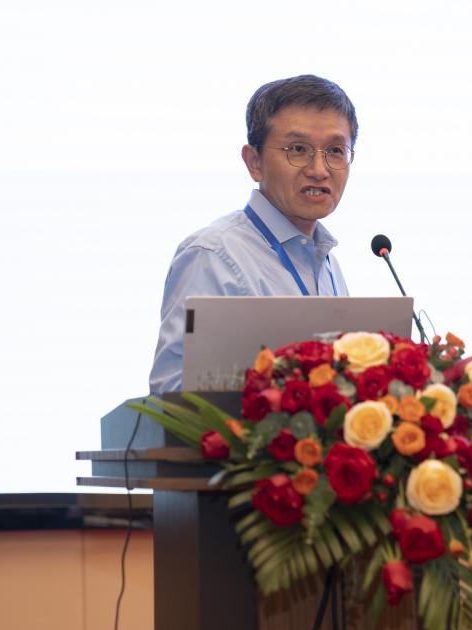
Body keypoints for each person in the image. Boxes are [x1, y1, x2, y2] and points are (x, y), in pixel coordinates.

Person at [148, 75, 358, 393]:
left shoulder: (327, 263)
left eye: (336, 150)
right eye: (298, 149)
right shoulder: (213, 254)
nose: (319, 169)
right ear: (254, 162)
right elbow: (173, 393)